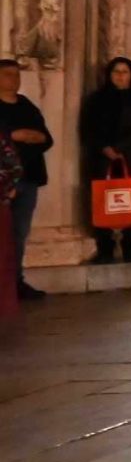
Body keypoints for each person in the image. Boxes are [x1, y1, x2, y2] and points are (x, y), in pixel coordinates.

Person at [78, 56, 131, 264]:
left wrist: (120, 148)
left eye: (125, 72)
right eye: (116, 72)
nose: (120, 76)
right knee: (101, 200)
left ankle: (130, 245)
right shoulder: (96, 99)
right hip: (101, 158)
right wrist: (105, 148)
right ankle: (105, 247)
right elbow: (88, 128)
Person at [0, 59, 53, 300]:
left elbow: (45, 138)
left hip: (29, 178)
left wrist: (22, 136)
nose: (14, 79)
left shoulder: (27, 106)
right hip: (4, 180)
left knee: (19, 233)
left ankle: (15, 281)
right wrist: (15, 135)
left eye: (16, 74)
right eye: (8, 74)